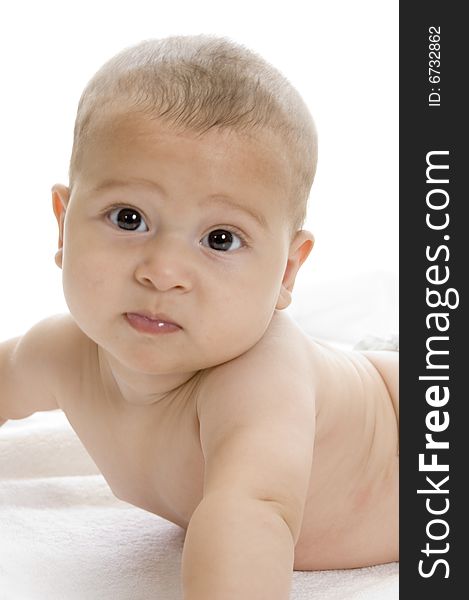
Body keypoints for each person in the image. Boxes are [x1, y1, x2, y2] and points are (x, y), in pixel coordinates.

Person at [0, 35, 398, 599]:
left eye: (220, 238)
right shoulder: (59, 354)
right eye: (129, 217)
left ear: (286, 273)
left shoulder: (257, 383)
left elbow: (250, 515)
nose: (163, 272)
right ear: (63, 226)